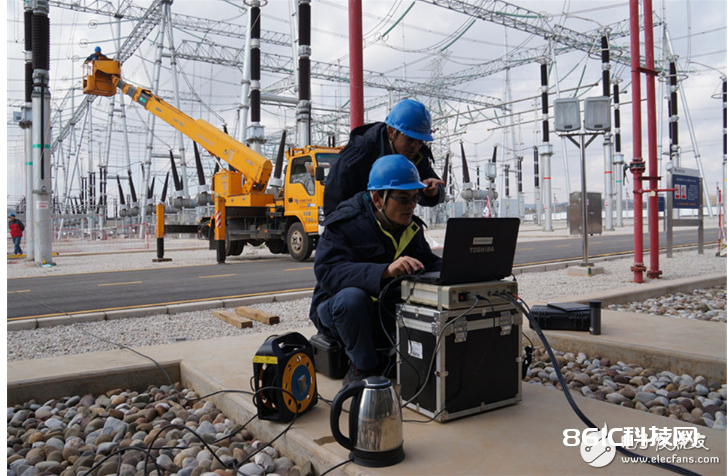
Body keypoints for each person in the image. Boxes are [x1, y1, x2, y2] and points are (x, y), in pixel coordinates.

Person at [310, 155, 442, 385]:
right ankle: (363, 368)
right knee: (353, 299)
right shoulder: (345, 223)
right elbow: (328, 271)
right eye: (402, 199)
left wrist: (461, 269)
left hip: (382, 312)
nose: (411, 206)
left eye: (414, 198)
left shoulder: (410, 227)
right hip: (340, 311)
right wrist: (384, 271)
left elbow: (427, 263)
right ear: (378, 199)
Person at [323, 98, 446, 216]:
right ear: (392, 132)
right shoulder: (358, 154)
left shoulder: (416, 156)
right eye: (410, 139)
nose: (415, 146)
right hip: (359, 227)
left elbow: (436, 187)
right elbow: (333, 206)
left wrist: (433, 192)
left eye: (420, 141)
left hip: (394, 224)